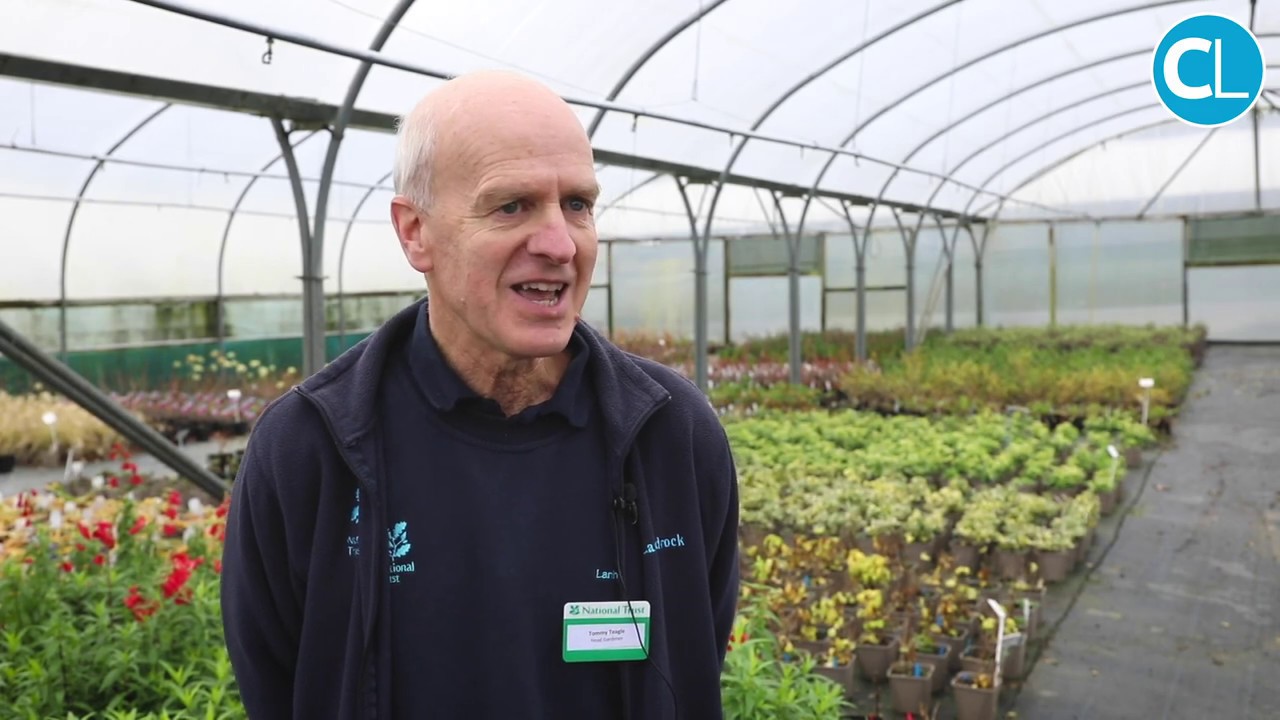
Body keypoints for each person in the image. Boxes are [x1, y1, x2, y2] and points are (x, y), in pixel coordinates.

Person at [220, 69, 740, 720]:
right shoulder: (311, 447)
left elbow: (694, 656)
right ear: (416, 233)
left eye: (577, 204)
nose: (558, 244)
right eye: (511, 205)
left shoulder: (672, 434)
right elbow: (279, 687)